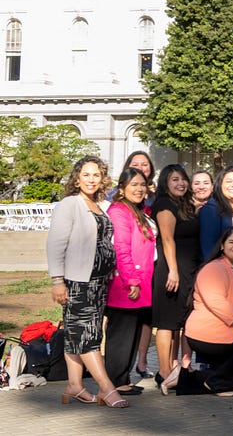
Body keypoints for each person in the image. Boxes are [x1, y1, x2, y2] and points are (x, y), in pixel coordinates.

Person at [47, 156, 128, 408]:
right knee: (87, 336)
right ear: (77, 178)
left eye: (96, 175)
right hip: (77, 281)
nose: (91, 179)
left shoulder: (98, 205)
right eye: (86, 174)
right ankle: (107, 388)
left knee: (75, 335)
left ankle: (74, 385)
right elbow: (55, 243)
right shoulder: (70, 204)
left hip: (98, 282)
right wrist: (57, 280)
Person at [167, 227, 233, 397]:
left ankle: (189, 379)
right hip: (209, 330)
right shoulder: (213, 268)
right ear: (222, 246)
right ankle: (214, 383)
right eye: (231, 242)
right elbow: (218, 304)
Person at [104, 167, 156, 395]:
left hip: (141, 283)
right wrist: (131, 279)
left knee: (132, 334)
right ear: (122, 188)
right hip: (125, 284)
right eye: (134, 184)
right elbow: (121, 249)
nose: (139, 189)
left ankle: (123, 378)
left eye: (142, 185)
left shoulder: (140, 210)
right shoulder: (119, 211)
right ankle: (114, 382)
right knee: (121, 335)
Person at [150, 164, 200, 389]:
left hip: (186, 270)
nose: (181, 183)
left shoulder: (184, 205)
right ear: (165, 184)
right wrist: (173, 270)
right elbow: (168, 239)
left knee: (180, 321)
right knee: (167, 323)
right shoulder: (164, 205)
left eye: (183, 179)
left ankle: (176, 368)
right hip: (172, 271)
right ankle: (163, 371)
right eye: (174, 180)